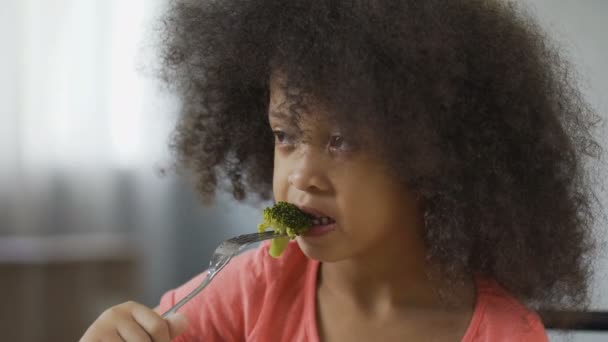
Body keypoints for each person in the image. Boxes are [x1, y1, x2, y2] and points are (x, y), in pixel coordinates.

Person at [81, 0, 602, 341]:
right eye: (285, 137)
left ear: (431, 159)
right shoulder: (253, 286)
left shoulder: (504, 334)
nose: (302, 175)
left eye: (342, 141)